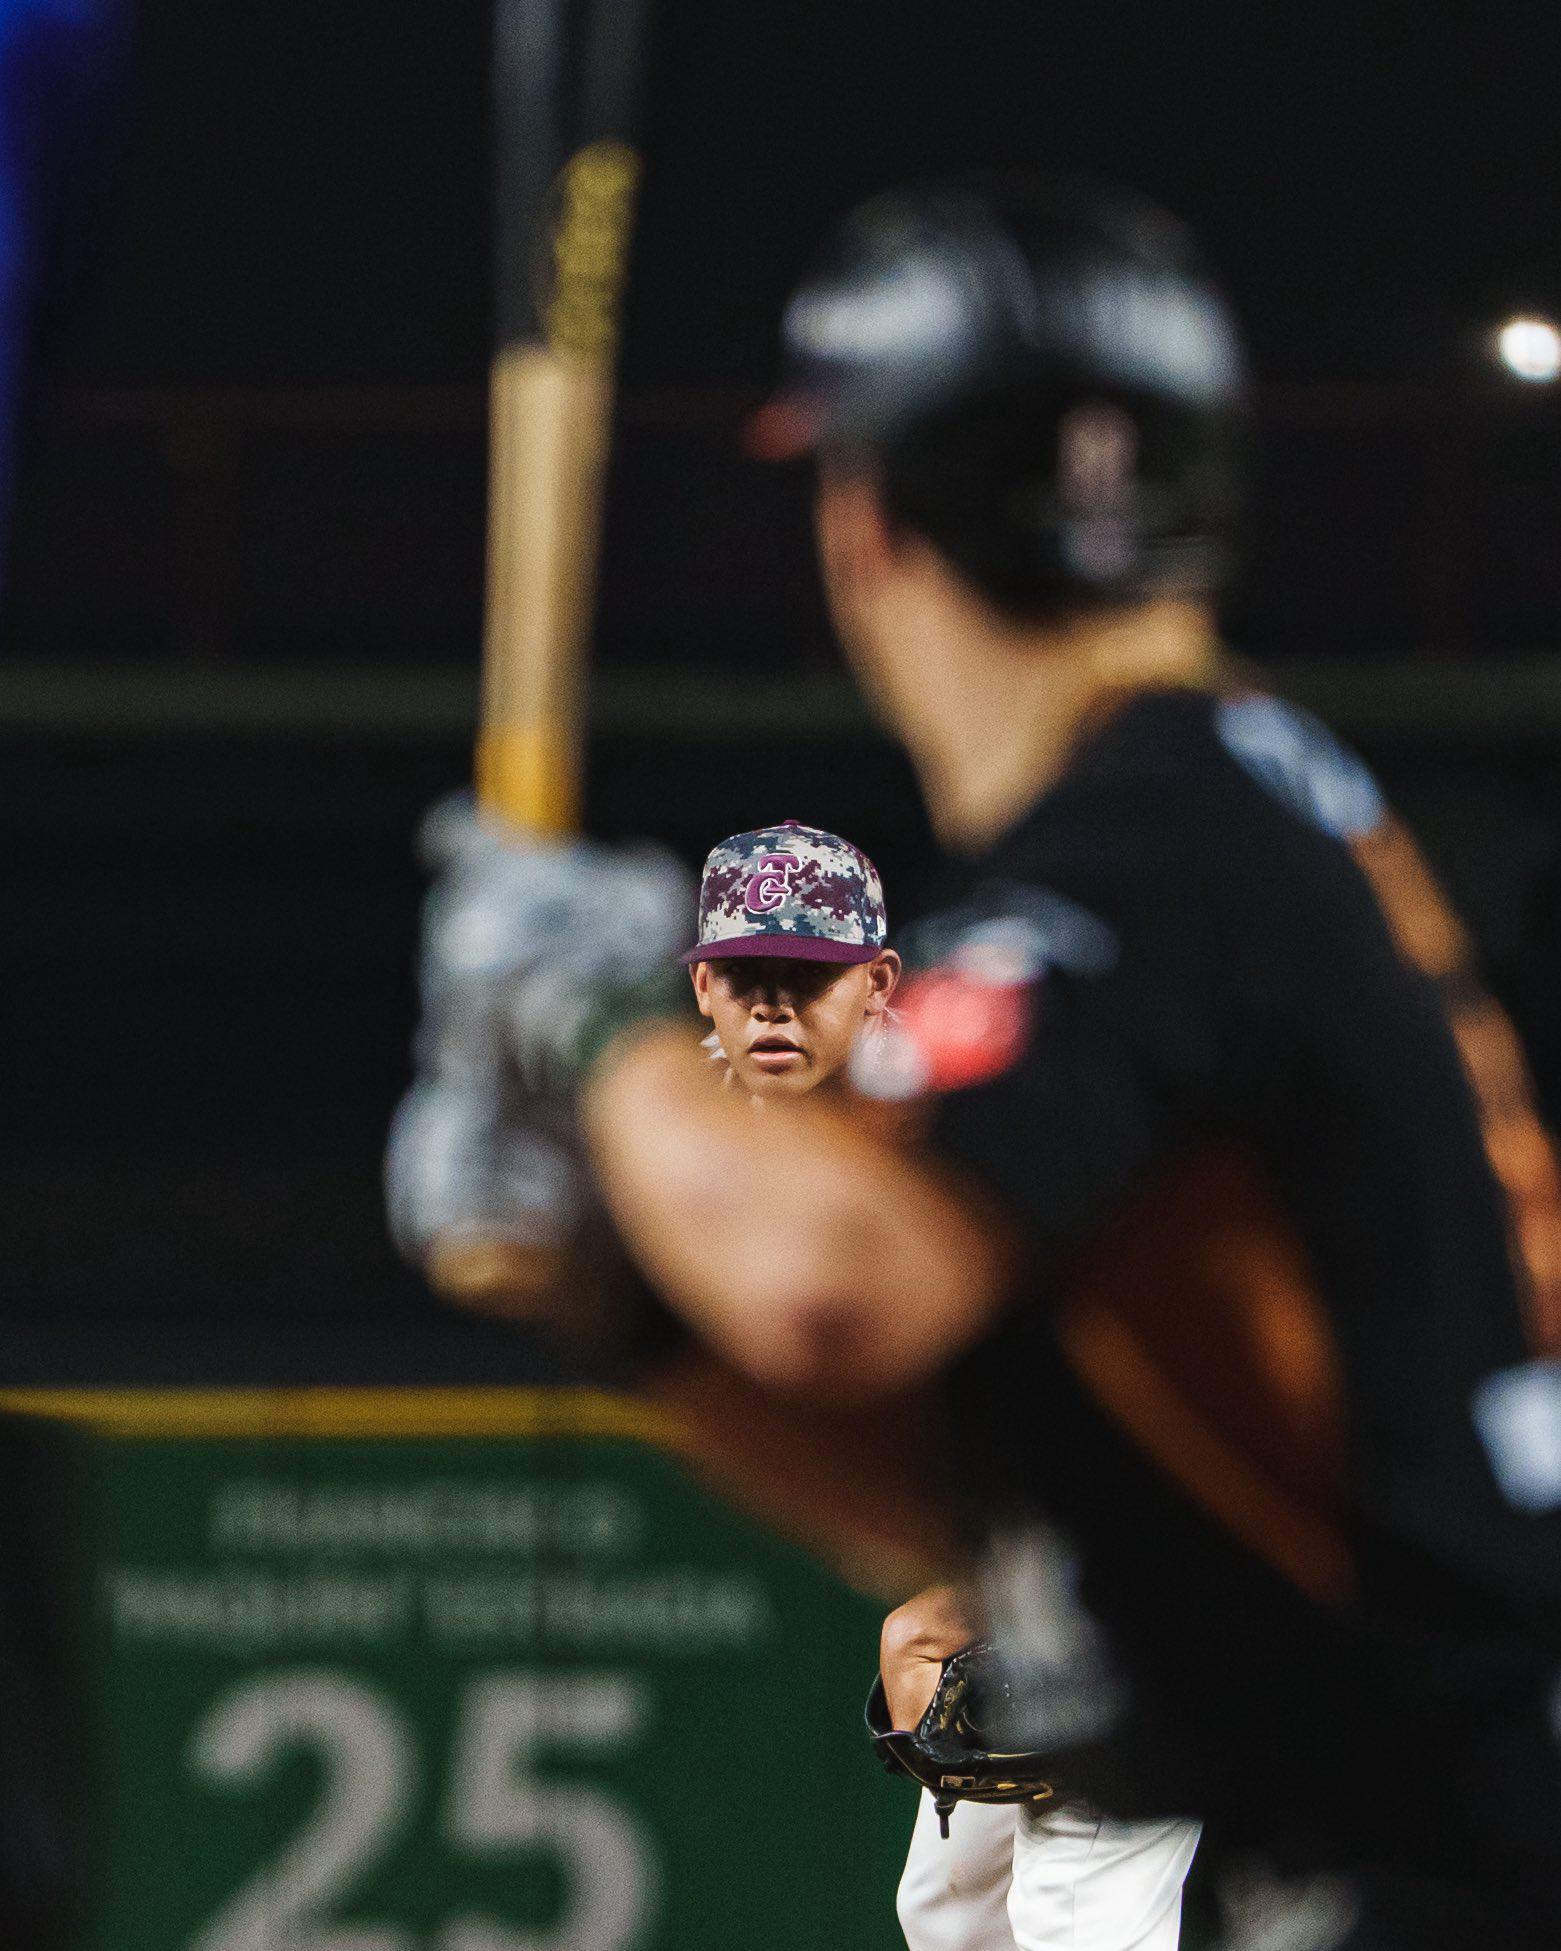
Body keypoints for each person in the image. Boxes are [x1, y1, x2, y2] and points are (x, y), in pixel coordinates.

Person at [440, 178, 1561, 1948]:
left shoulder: (1150, 837)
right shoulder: (1227, 806)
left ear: (861, 522)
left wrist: (590, 1034)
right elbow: (937, 1472)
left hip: (1446, 1867)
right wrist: (611, 1278)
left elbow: (830, 1287)